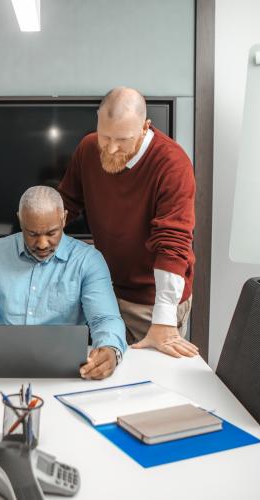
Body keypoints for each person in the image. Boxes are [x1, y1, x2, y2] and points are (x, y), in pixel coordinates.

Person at [58, 87, 198, 359]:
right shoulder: (88, 148)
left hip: (152, 299)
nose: (110, 148)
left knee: (150, 381)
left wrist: (164, 321)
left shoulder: (172, 163)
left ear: (145, 127)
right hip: (105, 288)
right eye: (105, 136)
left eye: (122, 139)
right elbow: (67, 202)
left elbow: (173, 244)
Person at [0, 186, 127, 380]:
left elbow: (105, 320)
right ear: (20, 220)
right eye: (32, 234)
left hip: (66, 373)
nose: (42, 244)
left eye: (51, 233)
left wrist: (110, 350)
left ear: (64, 218)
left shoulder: (88, 261)